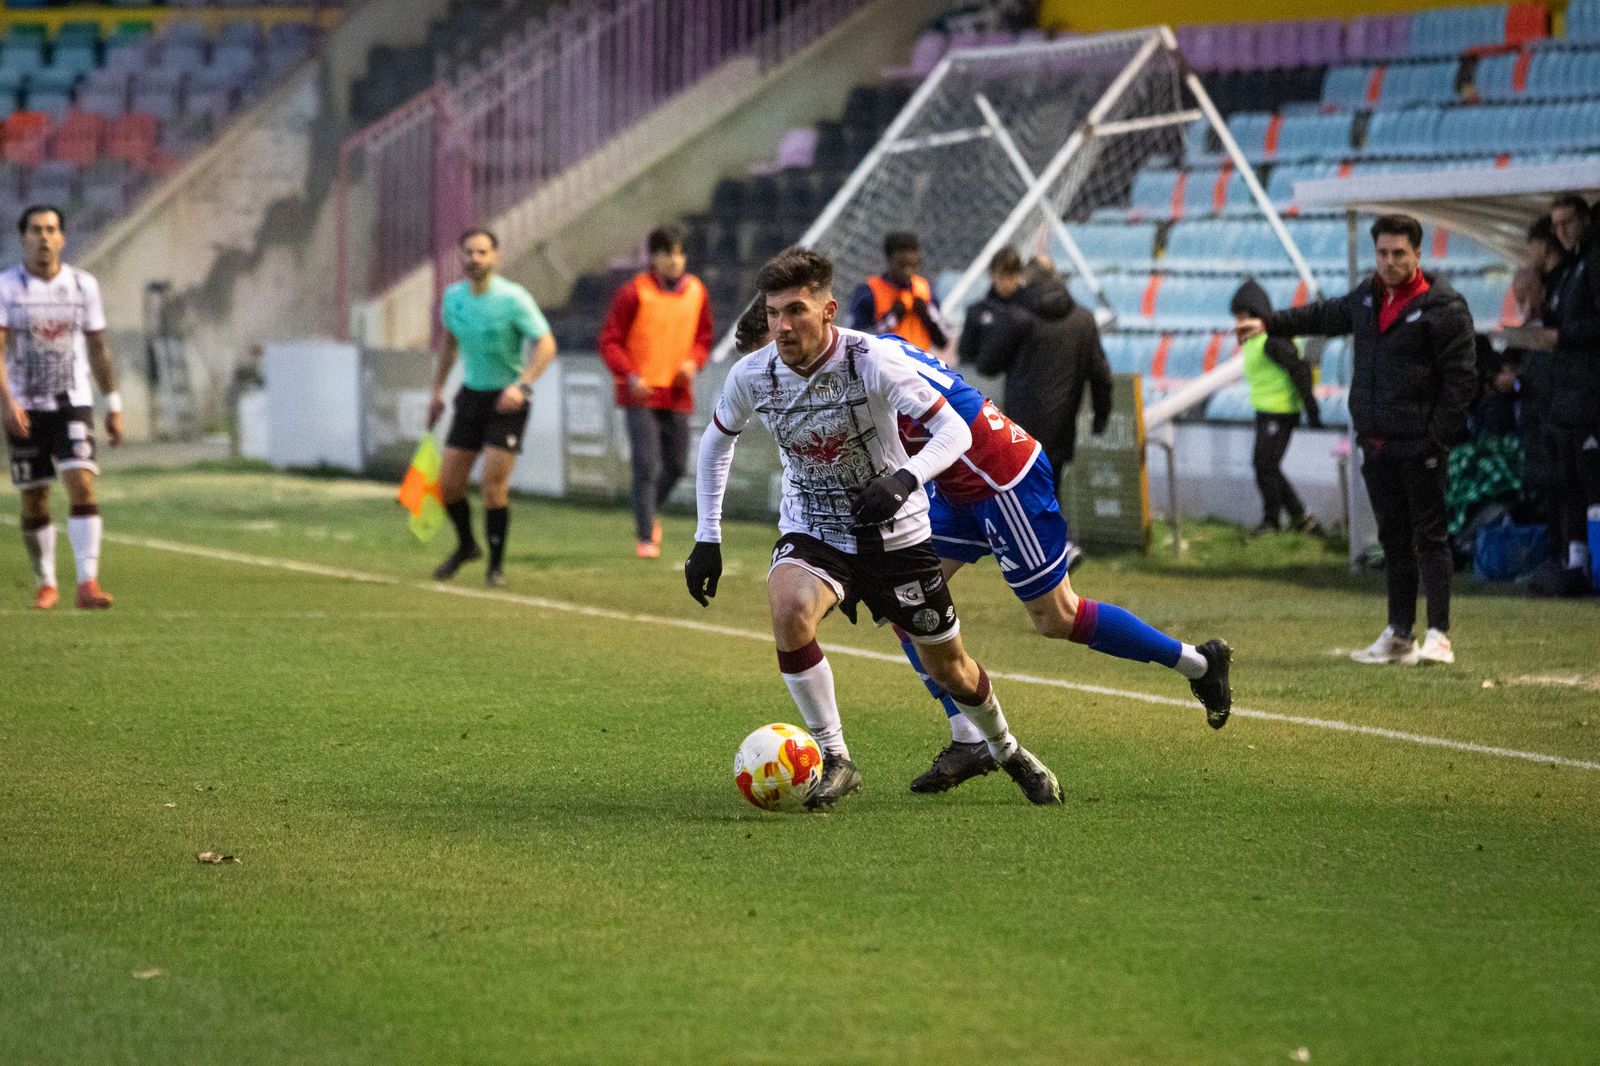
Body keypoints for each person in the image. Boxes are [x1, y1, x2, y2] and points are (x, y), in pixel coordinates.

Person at [734, 286, 1233, 795]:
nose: (772, 383)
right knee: (903, 608)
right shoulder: (845, 356)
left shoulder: (861, 368)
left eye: (771, 358)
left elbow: (941, 432)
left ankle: (1198, 661)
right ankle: (968, 736)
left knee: (1055, 617)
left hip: (1000, 478)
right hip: (948, 482)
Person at [687, 247, 1062, 810]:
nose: (782, 327)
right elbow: (716, 442)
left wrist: (905, 480)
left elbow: (954, 432)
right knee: (790, 609)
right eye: (772, 314)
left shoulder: (872, 361)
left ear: (828, 310)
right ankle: (835, 757)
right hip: (816, 530)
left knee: (953, 670)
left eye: (795, 312)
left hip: (897, 537)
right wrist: (706, 536)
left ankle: (1005, 749)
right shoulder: (751, 374)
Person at [1238, 214, 1476, 666]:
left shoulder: (1443, 307)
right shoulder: (1367, 297)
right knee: (1393, 539)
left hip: (1420, 445)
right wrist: (1269, 324)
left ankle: (1439, 635)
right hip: (1377, 442)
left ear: (1418, 254)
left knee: (1429, 536)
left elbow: (1461, 380)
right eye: (1383, 253)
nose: (1389, 262)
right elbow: (1322, 315)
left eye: (1398, 254)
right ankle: (1399, 633)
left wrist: (1435, 438)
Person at [0, 205, 120, 610]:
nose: (44, 237)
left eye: (51, 230)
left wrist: (113, 403)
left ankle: (88, 583)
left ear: (62, 238)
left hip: (74, 401)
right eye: (36, 230)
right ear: (24, 239)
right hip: (25, 406)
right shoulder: (7, 288)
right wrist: (6, 402)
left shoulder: (83, 286)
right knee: (35, 499)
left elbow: (98, 348)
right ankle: (46, 581)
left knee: (82, 483)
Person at [427, 228, 557, 588]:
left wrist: (523, 385)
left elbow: (546, 345)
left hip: (507, 400)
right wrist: (437, 391)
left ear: (495, 257)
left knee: (492, 485)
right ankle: (468, 545)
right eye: (468, 252)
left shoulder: (514, 299)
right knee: (448, 486)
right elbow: (450, 346)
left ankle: (495, 567)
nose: (475, 259)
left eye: (482, 252)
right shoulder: (452, 298)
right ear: (461, 257)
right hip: (471, 395)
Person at [598, 224, 713, 558]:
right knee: (646, 464)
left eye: (680, 253)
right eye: (667, 253)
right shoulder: (634, 292)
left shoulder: (697, 292)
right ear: (654, 256)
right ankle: (645, 536)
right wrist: (629, 374)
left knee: (676, 465)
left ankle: (650, 512)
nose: (674, 261)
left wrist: (694, 362)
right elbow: (610, 340)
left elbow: (703, 338)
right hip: (641, 392)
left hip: (677, 392)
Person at [964, 249, 1112, 507]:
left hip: (1019, 427)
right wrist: (1101, 417)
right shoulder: (1084, 319)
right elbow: (1101, 375)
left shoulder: (1017, 317)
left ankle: (1028, 544)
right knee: (1051, 492)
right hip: (1062, 425)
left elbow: (987, 365)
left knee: (1022, 498)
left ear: (1027, 279)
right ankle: (1053, 544)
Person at [1537, 194, 1600, 595]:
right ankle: (1577, 564)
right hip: (1568, 394)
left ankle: (1593, 567)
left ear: (1584, 221)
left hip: (1590, 393)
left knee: (1593, 483)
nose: (1562, 231)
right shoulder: (1571, 267)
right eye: (1556, 224)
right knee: (1572, 483)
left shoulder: (1592, 264)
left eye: (1568, 222)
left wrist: (1563, 335)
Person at [1230, 278, 1323, 536]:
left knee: (1265, 466)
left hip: (1281, 412)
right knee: (1266, 466)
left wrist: (1311, 408)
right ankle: (1301, 519)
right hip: (1266, 410)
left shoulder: (1273, 339)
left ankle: (1273, 521)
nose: (1238, 322)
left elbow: (1300, 369)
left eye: (1240, 315)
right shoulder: (1253, 340)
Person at [845, 231, 950, 355]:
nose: (907, 272)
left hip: (919, 367)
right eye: (901, 266)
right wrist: (891, 319)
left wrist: (926, 315)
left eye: (912, 266)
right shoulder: (869, 291)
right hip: (882, 366)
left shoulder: (924, 290)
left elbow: (943, 341)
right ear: (890, 260)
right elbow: (852, 339)